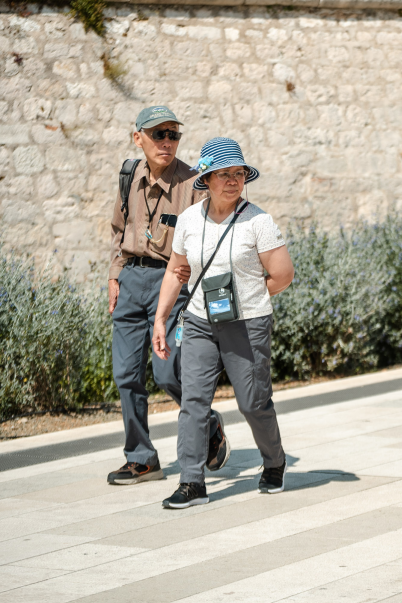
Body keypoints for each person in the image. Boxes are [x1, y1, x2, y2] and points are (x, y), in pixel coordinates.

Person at [152, 138, 295, 509]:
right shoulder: (188, 220)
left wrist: (249, 296)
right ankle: (192, 481)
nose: (233, 180)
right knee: (194, 401)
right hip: (200, 321)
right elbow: (177, 271)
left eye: (239, 173)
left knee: (252, 402)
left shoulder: (257, 220)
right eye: (224, 174)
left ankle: (275, 461)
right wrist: (161, 318)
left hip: (247, 323)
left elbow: (282, 275)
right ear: (207, 178)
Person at [106, 106, 229, 486]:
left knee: (167, 372)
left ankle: (207, 423)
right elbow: (118, 228)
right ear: (137, 137)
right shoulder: (129, 176)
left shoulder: (193, 183)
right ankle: (141, 458)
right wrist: (115, 276)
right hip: (130, 281)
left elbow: (207, 238)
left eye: (173, 135)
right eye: (158, 134)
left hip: (172, 284)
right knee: (125, 375)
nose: (166, 142)